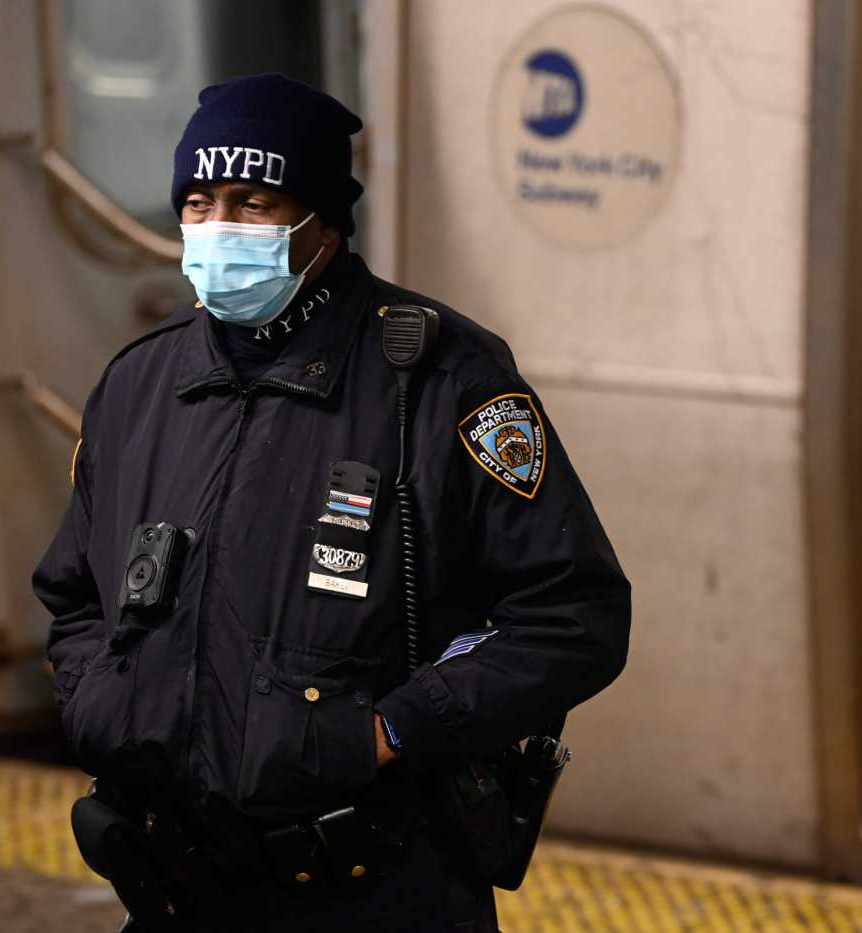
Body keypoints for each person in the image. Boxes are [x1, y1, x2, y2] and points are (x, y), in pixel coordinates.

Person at [32, 73, 630, 931]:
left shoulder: (439, 378)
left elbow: (573, 615)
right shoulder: (141, 384)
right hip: (172, 884)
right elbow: (73, 593)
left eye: (253, 201)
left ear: (322, 220)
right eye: (198, 202)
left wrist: (390, 730)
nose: (217, 228)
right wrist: (101, 702)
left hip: (373, 889)